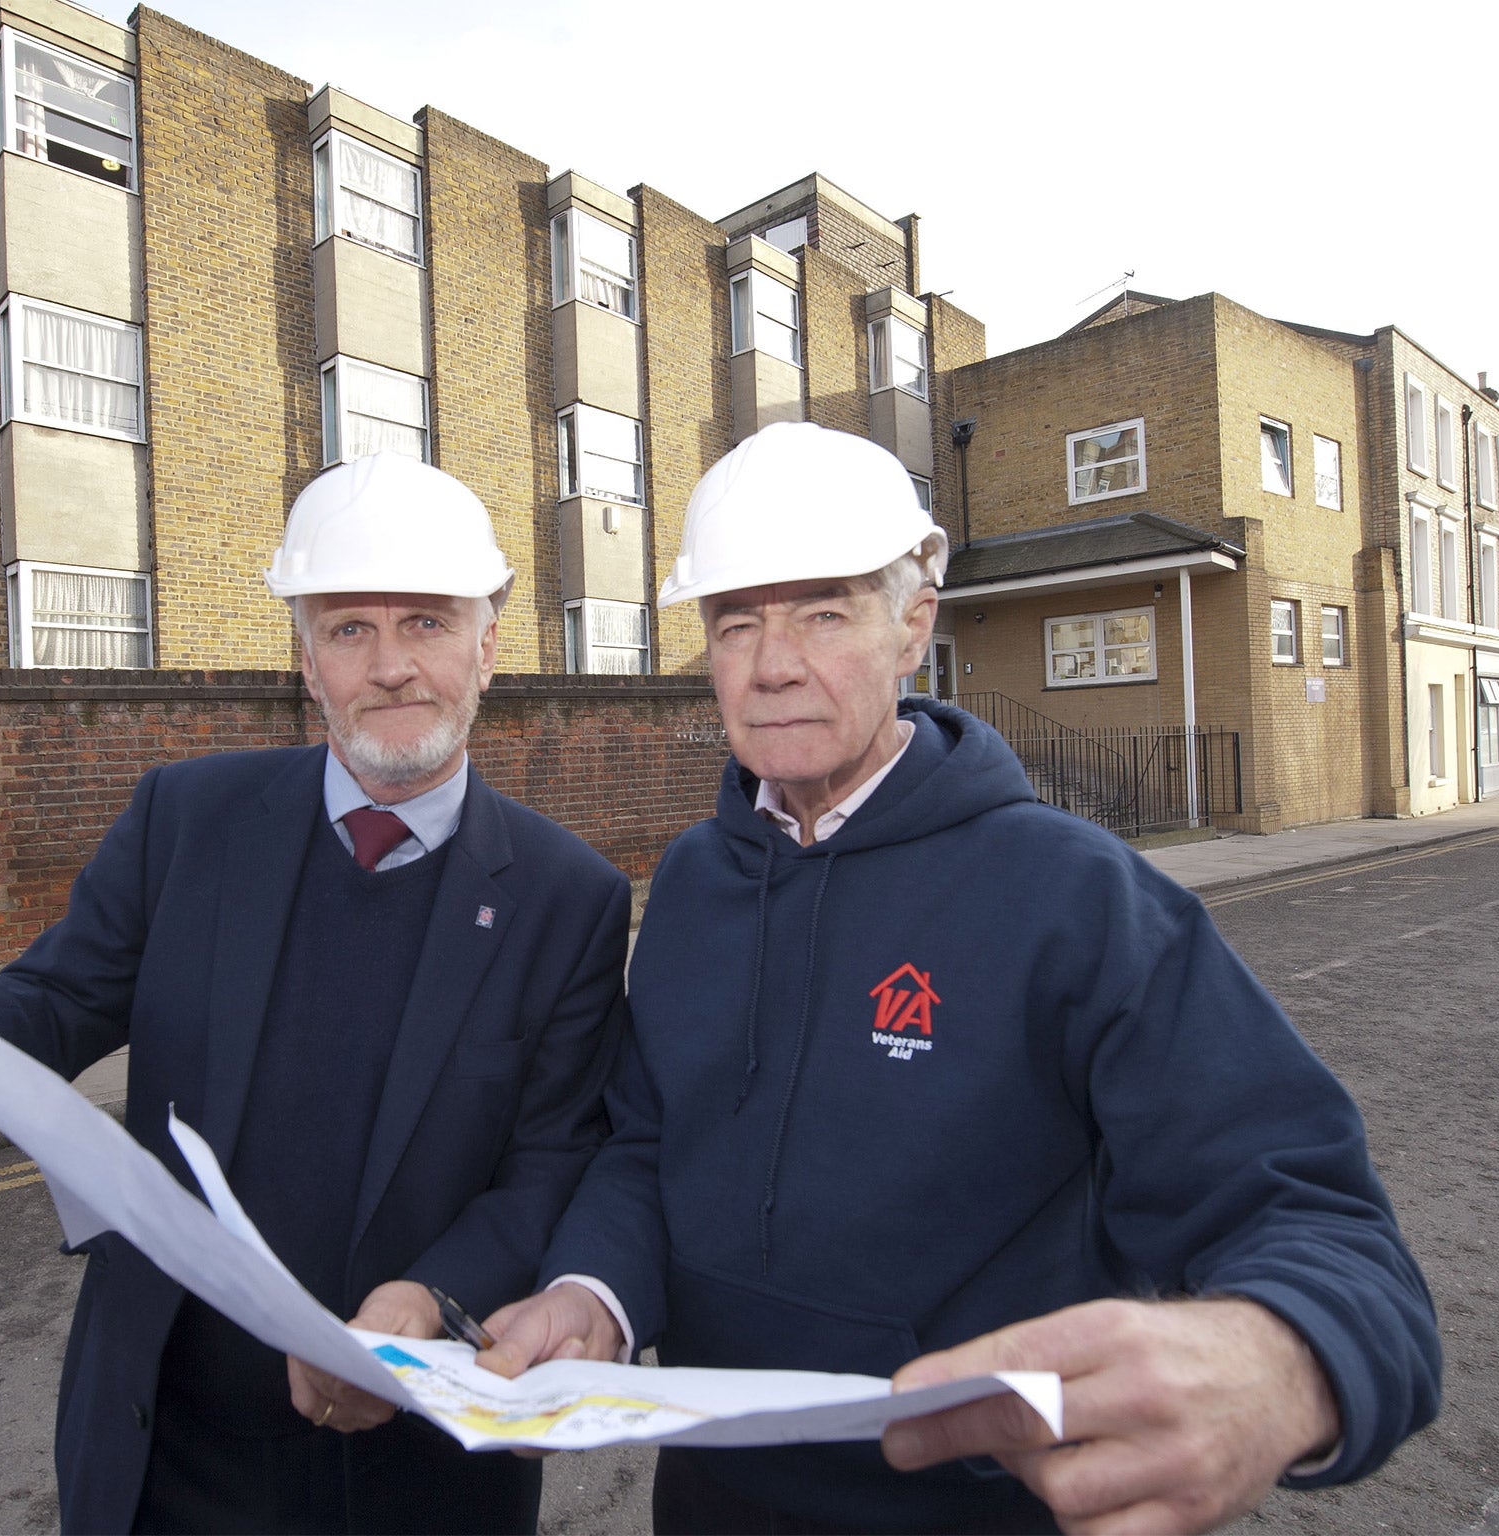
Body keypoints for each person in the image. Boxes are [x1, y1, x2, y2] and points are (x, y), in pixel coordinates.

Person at [477, 422, 1441, 1535]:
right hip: (711, 1501)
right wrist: (590, 1291)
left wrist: (1285, 1359)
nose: (772, 662)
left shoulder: (1073, 897)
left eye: (824, 613)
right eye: (736, 622)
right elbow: (646, 1144)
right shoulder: (694, 881)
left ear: (913, 625)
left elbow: (1320, 1223)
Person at [0, 454, 631, 1535]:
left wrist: (430, 1299)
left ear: (487, 647)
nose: (389, 667)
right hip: (169, 1453)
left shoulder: (569, 897)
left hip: (417, 1469)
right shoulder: (185, 820)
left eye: (425, 623)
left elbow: (552, 1161)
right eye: (347, 629)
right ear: (304, 658)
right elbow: (48, 1008)